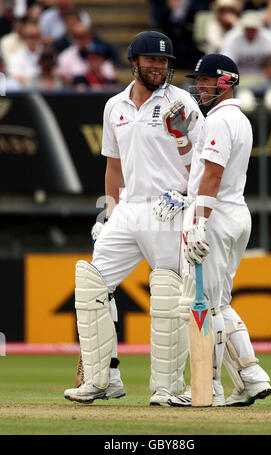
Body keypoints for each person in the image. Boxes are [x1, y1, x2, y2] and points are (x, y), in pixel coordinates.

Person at [63, 30, 203, 406]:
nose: (159, 67)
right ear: (134, 62)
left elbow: (204, 160)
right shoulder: (115, 106)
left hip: (170, 209)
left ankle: (167, 388)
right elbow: (114, 166)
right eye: (152, 60)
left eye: (164, 62)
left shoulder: (183, 102)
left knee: (169, 294)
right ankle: (103, 378)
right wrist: (109, 213)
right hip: (128, 208)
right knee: (92, 283)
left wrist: (187, 197)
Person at [153, 53, 271, 406]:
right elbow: (198, 168)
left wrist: (200, 221)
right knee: (219, 303)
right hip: (234, 214)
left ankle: (209, 388)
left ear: (225, 81)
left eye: (206, 80)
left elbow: (213, 176)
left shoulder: (221, 121)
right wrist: (180, 139)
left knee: (204, 304)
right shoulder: (232, 119)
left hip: (215, 216)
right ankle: (250, 376)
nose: (200, 86)